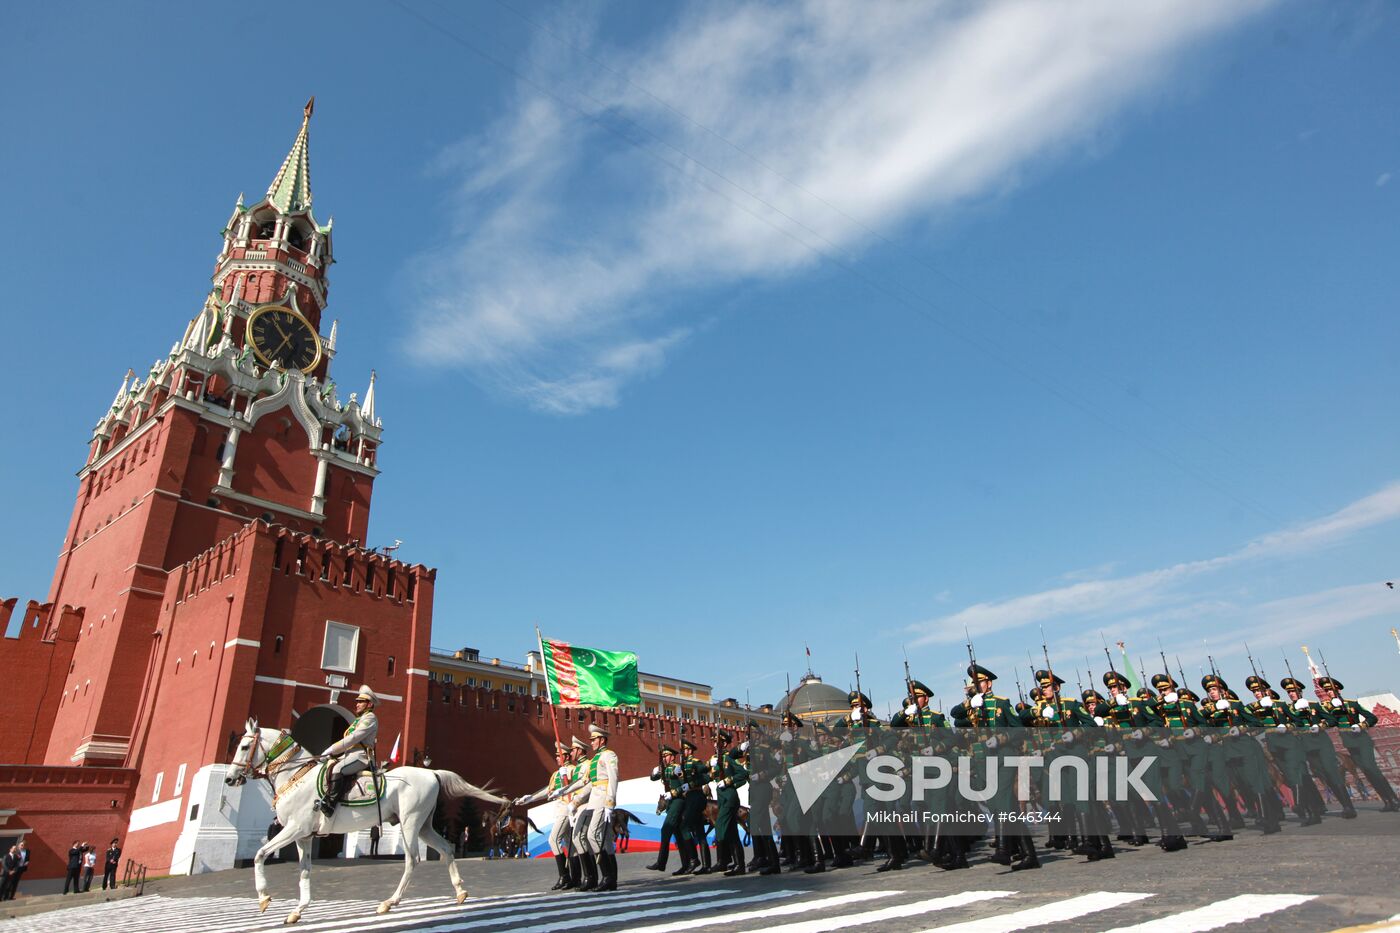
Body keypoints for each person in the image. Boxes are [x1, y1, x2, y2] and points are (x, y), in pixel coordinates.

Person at [1317, 676, 1400, 812]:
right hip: (1350, 743)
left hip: (1362, 740)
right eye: (1327, 690)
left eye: (1331, 689)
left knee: (1371, 768)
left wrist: (1362, 725)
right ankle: (1386, 801)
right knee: (1366, 771)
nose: (1329, 692)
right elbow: (1330, 722)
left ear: (1338, 690)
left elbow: (1372, 717)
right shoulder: (1329, 708)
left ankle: (1394, 799)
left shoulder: (1352, 704)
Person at [516, 742, 575, 889]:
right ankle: (573, 877)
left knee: (554, 840)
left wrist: (566, 777)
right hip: (559, 810)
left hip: (567, 810)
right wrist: (530, 798)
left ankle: (564, 876)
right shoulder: (556, 774)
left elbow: (575, 787)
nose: (556, 759)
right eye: (556, 756)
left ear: (566, 756)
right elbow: (548, 791)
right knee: (568, 844)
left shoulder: (572, 769)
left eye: (558, 756)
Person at [314, 685, 379, 816]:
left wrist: (331, 749)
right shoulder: (358, 720)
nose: (357, 704)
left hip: (361, 757)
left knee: (338, 769)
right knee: (329, 766)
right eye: (357, 702)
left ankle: (331, 804)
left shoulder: (370, 718)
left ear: (369, 704)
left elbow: (354, 738)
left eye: (361, 702)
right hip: (349, 755)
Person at [645, 744, 693, 875]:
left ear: (672, 757)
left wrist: (673, 793)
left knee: (666, 829)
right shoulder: (665, 769)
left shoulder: (677, 768)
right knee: (678, 834)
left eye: (666, 756)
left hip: (678, 801)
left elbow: (686, 785)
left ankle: (661, 863)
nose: (665, 758)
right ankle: (686, 864)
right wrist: (654, 772)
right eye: (664, 756)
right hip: (671, 803)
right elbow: (654, 777)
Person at [711, 730, 749, 876]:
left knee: (720, 825)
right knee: (732, 832)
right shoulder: (716, 759)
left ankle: (723, 860)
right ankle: (739, 865)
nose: (715, 744)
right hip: (721, 798)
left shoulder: (728, 757)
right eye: (714, 741)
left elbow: (743, 774)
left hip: (730, 798)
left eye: (718, 741)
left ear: (725, 743)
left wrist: (728, 781)